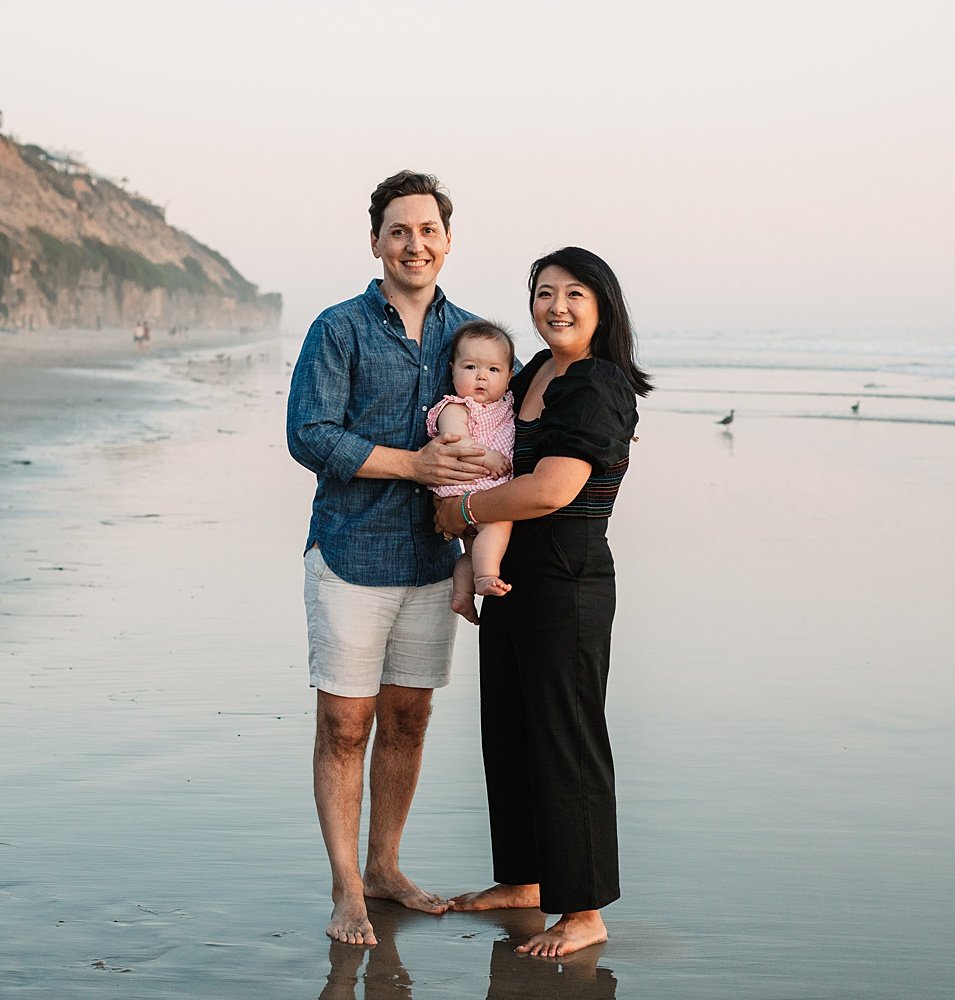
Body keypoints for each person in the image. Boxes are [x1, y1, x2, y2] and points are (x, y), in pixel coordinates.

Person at [286, 170, 505, 948]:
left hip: (431, 561)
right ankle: (347, 888)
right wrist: (412, 465)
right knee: (345, 724)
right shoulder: (338, 328)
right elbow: (310, 434)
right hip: (350, 553)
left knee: (409, 719)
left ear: (448, 240)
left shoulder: (474, 337)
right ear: (376, 240)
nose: (416, 244)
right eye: (400, 231)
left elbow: (525, 409)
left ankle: (386, 868)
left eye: (429, 230)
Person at [436, 247, 652, 958]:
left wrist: (463, 514)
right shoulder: (533, 374)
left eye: (574, 293)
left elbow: (552, 489)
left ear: (603, 306)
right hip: (514, 579)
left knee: (566, 741)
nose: (555, 305)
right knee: (510, 730)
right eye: (543, 292)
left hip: (569, 580)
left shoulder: (595, 385)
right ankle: (526, 880)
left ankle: (584, 910)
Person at [426, 320, 517, 624]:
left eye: (493, 370)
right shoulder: (455, 407)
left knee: (472, 551)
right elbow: (457, 444)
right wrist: (489, 458)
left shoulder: (507, 405)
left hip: (486, 486)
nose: (481, 376)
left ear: (509, 376)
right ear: (452, 370)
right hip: (467, 484)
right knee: (498, 524)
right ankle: (486, 577)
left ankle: (462, 596)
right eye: (470, 367)